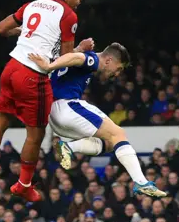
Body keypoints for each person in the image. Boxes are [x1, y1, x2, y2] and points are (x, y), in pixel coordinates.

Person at [0, 0, 93, 202]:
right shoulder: (68, 15)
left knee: (2, 119)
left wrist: (24, 32)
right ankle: (23, 184)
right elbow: (65, 58)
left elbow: (0, 29)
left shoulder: (33, 5)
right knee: (36, 134)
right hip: (32, 76)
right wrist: (82, 48)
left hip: (11, 68)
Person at [27, 44, 165, 198]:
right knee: (119, 133)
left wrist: (78, 48)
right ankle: (141, 182)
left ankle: (68, 146)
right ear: (109, 60)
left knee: (110, 143)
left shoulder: (86, 58)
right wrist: (49, 66)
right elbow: (77, 57)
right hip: (67, 106)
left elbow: (70, 57)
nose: (117, 73)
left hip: (55, 117)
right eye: (118, 68)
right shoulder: (92, 59)